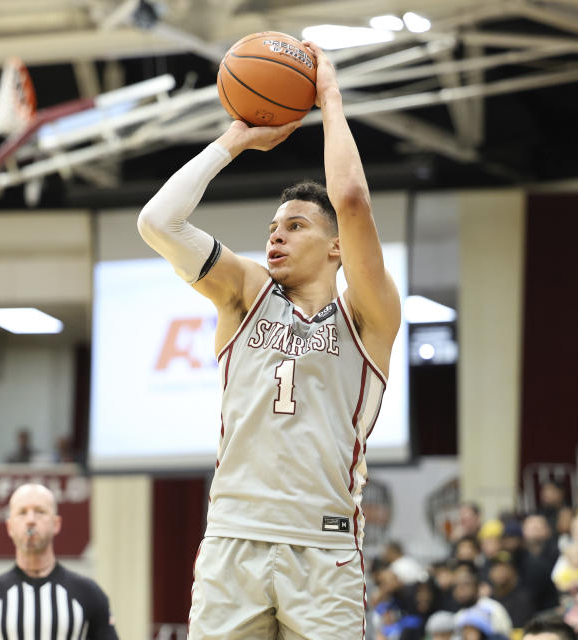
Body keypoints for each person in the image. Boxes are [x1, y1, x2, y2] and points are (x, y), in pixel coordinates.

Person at [137, 41, 401, 638]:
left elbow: (353, 201)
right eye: (272, 228)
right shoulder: (245, 292)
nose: (276, 238)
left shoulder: (367, 314)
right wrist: (234, 140)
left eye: (297, 226)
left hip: (323, 544)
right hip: (233, 536)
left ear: (336, 247)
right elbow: (158, 222)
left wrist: (328, 97)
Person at [0, 483, 118, 640]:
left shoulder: (88, 593)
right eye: (22, 512)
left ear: (56, 524)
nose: (31, 520)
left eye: (40, 512)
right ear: (10, 527)